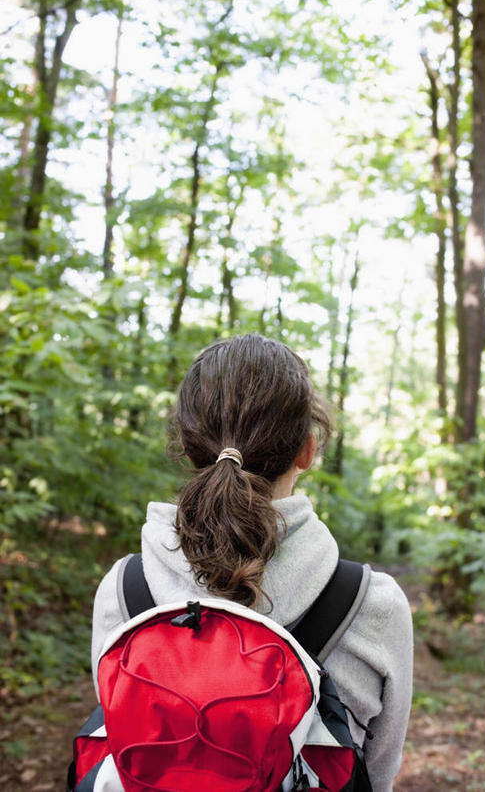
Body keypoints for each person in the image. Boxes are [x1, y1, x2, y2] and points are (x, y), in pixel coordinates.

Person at [91, 333, 413, 792]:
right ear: (307, 449)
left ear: (187, 448)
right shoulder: (371, 605)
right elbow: (377, 774)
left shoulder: (125, 589)